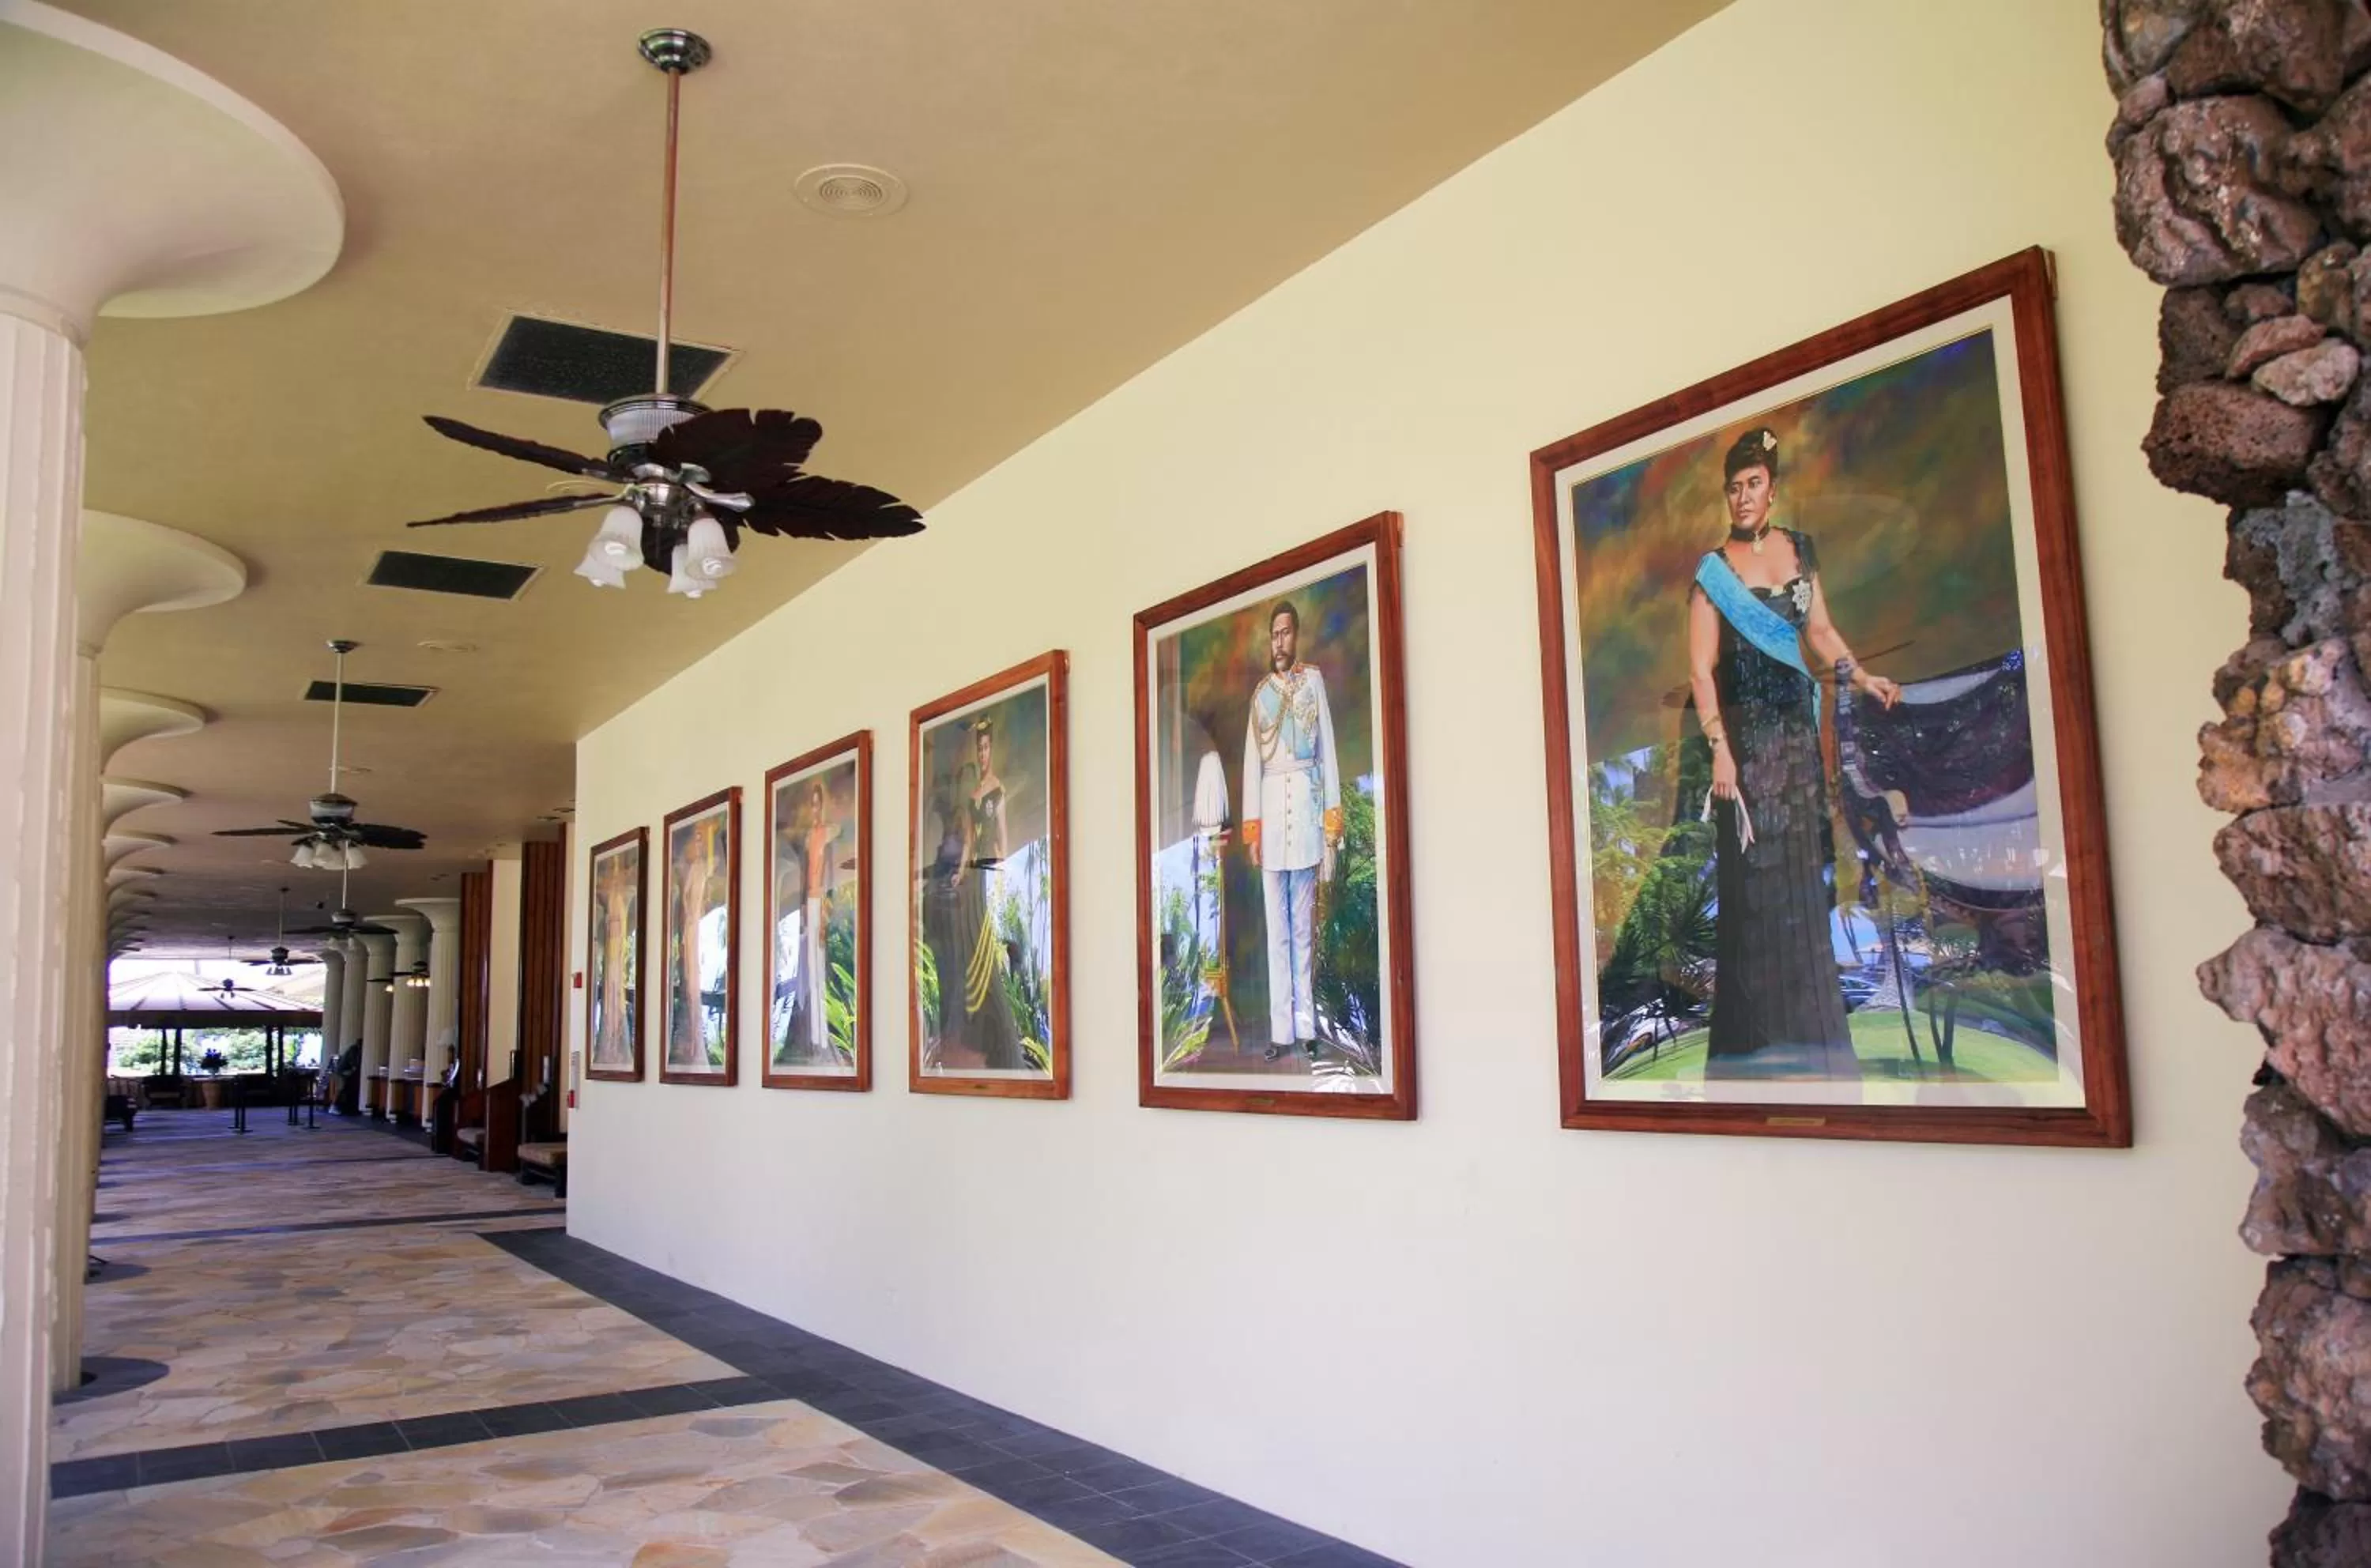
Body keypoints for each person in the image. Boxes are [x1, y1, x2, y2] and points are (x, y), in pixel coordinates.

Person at [1686, 425, 1899, 1079]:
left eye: (1753, 484)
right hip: (1748, 750)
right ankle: (1756, 1050)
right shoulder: (1712, 574)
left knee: (1805, 884)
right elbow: (1700, 671)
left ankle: (1817, 1046)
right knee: (1756, 889)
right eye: (1734, 487)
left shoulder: (1800, 550)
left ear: (1772, 490)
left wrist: (1862, 676)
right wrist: (1720, 752)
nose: (1743, 497)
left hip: (1799, 745)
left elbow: (1822, 632)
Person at [1242, 599, 1343, 1065]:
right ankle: (1280, 1031)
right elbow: (1252, 765)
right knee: (1275, 932)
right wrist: (1253, 830)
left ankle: (1306, 1028)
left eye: (1285, 633)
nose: (1279, 642)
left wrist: (1330, 824)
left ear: (1296, 635)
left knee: (1303, 930)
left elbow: (1328, 755)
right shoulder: (1261, 695)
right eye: (1274, 634)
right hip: (1271, 816)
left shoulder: (1313, 683)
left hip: (1304, 814)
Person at [943, 718, 1027, 1069]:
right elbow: (969, 841)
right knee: (967, 945)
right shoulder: (973, 793)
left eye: (986, 746)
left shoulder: (997, 789)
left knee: (983, 947)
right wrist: (960, 873)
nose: (982, 753)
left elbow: (1001, 839)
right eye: (978, 747)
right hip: (973, 878)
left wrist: (1002, 877)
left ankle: (994, 1032)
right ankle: (971, 1025)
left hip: (989, 875)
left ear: (992, 749)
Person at [797, 780, 839, 1061]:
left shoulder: (827, 834)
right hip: (809, 902)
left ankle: (824, 1035)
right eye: (811, 805)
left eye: (817, 804)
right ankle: (814, 1036)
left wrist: (825, 909)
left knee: (820, 967)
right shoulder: (807, 838)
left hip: (821, 901)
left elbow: (830, 874)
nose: (814, 809)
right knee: (811, 968)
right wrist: (803, 905)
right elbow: (805, 874)